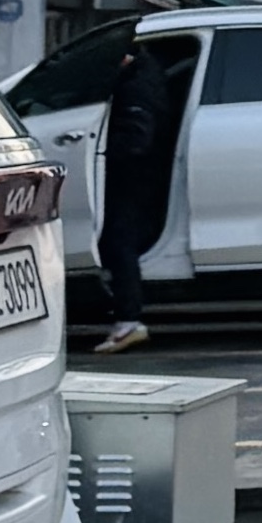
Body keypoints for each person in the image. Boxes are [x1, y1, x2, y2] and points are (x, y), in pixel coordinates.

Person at [87, 27, 195, 352]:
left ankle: (128, 321)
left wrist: (104, 154)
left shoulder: (137, 85)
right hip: (147, 171)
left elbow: (136, 139)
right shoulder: (145, 74)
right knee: (120, 239)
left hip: (136, 173)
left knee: (121, 240)